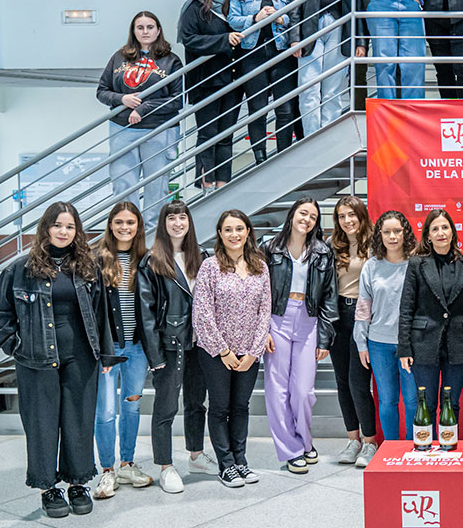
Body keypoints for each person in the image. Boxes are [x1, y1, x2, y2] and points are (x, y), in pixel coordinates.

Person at [0, 202, 121, 519]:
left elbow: (101, 315)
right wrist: (17, 347)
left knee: (78, 422)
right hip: (35, 362)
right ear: (46, 228)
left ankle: (77, 483)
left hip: (81, 359)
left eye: (70, 226)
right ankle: (49, 488)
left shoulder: (87, 268)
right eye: (58, 225)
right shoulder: (20, 269)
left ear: (77, 232)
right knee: (42, 425)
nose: (63, 231)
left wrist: (104, 354)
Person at [139, 200, 217, 493]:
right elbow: (146, 313)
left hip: (199, 344)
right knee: (166, 408)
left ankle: (196, 456)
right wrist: (155, 356)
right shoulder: (152, 261)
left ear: (189, 222)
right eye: (171, 218)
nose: (177, 223)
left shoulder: (203, 256)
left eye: (182, 217)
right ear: (163, 224)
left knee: (197, 404)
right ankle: (165, 465)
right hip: (170, 346)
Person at [192, 209, 272, 489]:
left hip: (249, 352)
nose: (234, 234)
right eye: (228, 229)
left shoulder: (260, 266)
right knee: (220, 407)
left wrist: (254, 351)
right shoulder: (210, 266)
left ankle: (241, 461)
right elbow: (202, 313)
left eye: (239, 228)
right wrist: (223, 351)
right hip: (217, 353)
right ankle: (225, 465)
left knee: (241, 407)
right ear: (220, 234)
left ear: (248, 231)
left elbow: (265, 312)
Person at [260, 198, 337, 474]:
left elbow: (329, 296)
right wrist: (262, 330)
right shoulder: (270, 248)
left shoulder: (322, 252)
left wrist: (326, 337)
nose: (307, 219)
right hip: (276, 319)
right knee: (277, 389)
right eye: (303, 213)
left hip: (308, 319)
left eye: (313, 216)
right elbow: (259, 290)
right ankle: (291, 450)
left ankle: (305, 440)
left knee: (303, 391)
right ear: (292, 214)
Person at [398, 209, 463, 428]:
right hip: (423, 344)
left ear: (453, 232)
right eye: (435, 228)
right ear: (427, 235)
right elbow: (407, 307)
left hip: (459, 343)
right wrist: (404, 348)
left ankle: (448, 448)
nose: (440, 233)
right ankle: (427, 449)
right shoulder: (417, 264)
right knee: (426, 404)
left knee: (452, 404)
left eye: (445, 227)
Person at [96, 12, 182, 232]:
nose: (145, 32)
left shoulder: (171, 60)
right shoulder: (119, 57)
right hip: (122, 128)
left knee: (157, 186)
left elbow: (177, 100)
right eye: (140, 27)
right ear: (133, 31)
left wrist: (143, 108)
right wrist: (122, 99)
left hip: (159, 130)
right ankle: (128, 232)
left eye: (150, 27)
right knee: (123, 184)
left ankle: (153, 234)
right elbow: (102, 91)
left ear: (158, 30)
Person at [91, 202, 153, 498]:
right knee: (105, 411)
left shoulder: (148, 260)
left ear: (138, 226)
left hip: (137, 349)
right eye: (119, 222)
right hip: (108, 349)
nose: (125, 227)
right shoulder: (97, 260)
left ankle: (127, 463)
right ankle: (106, 470)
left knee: (131, 406)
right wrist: (100, 350)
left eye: (131, 222)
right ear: (110, 224)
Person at [290, 0, 367, 135]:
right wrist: (295, 39)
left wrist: (360, 42)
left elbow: (357, 8)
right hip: (310, 33)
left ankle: (327, 139)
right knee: (309, 89)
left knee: (333, 91)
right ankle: (312, 138)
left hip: (339, 32)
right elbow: (294, 6)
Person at [356, 210, 417, 455]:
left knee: (413, 401)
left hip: (410, 344)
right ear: (379, 235)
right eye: (387, 232)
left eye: (397, 231)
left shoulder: (417, 262)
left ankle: (416, 447)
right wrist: (361, 343)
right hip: (379, 343)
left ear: (405, 233)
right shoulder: (372, 266)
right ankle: (391, 450)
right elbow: (363, 307)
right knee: (387, 400)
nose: (392, 236)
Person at [229, 0, 297, 161]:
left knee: (285, 109)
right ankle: (260, 157)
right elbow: (232, 20)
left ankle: (284, 153)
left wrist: (280, 17)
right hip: (252, 55)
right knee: (257, 109)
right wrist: (254, 19)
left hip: (281, 53)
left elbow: (294, 15)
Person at [178, 0, 242, 191]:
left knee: (226, 136)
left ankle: (222, 187)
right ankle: (207, 186)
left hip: (232, 81)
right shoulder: (196, 7)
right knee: (208, 134)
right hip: (206, 82)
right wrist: (223, 40)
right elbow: (190, 39)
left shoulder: (237, 6)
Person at [329, 196, 378, 464]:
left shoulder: (375, 244)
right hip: (339, 316)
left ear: (361, 215)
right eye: (341, 216)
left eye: (352, 214)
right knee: (341, 383)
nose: (347, 220)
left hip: (366, 318)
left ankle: (370, 442)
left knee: (358, 382)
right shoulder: (332, 246)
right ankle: (353, 440)